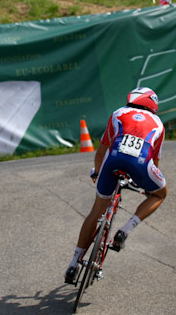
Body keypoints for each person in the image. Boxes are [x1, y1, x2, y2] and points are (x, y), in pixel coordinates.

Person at [64, 87, 168, 284]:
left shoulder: (118, 113)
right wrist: (147, 187)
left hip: (112, 161)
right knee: (160, 194)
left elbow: (101, 152)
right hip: (141, 165)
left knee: (96, 211)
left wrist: (96, 172)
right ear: (153, 104)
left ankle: (73, 263)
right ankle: (125, 230)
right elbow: (155, 162)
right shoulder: (158, 124)